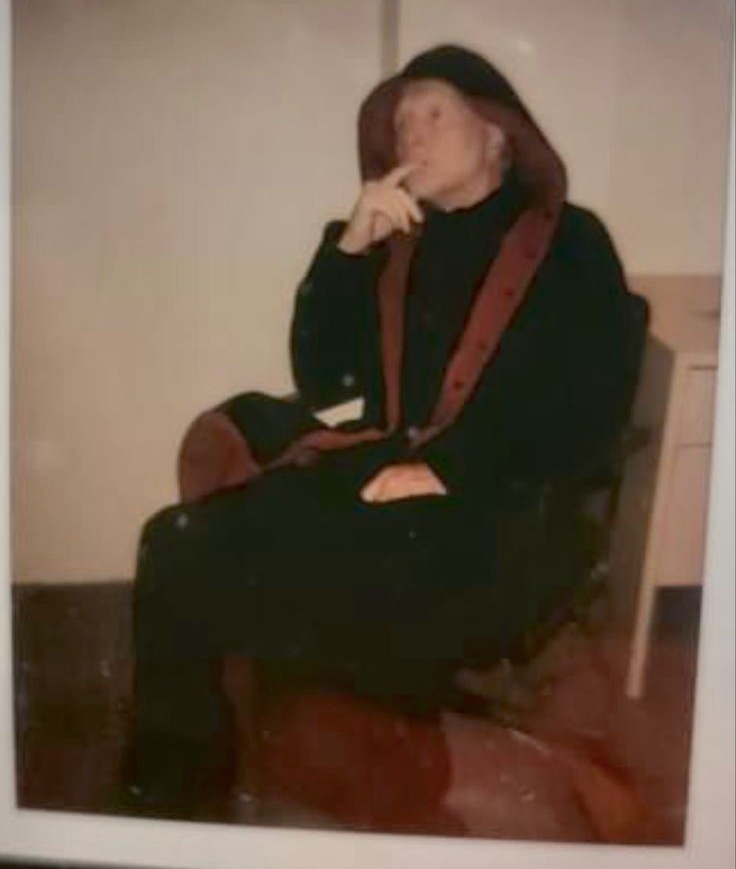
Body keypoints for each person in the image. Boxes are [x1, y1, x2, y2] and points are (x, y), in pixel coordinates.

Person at [122, 44, 644, 820]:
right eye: (400, 126)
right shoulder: (399, 242)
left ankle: (411, 742)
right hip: (389, 474)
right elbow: (328, 379)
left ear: (499, 133)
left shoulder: (572, 242)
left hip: (498, 506)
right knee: (173, 541)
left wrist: (452, 471)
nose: (413, 139)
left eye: (434, 114)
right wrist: (349, 249)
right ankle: (172, 794)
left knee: (309, 592)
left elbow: (590, 405)